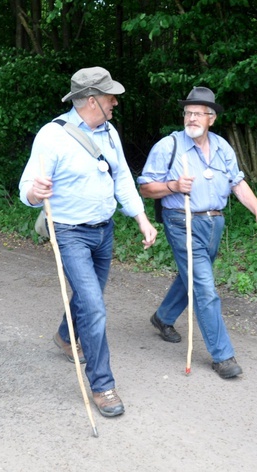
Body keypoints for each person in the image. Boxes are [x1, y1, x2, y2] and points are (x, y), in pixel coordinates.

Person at [19, 67, 157, 417]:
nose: (116, 102)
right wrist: (35, 193)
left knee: (87, 297)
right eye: (111, 96)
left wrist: (141, 219)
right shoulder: (52, 136)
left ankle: (66, 337)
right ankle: (103, 385)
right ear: (92, 100)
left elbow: (123, 176)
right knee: (94, 306)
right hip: (69, 232)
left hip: (104, 231)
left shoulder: (109, 133)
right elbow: (27, 188)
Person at [138, 87, 257, 379]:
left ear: (211, 118)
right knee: (204, 287)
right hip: (181, 221)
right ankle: (222, 356)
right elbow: (146, 187)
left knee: (193, 276)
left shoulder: (223, 147)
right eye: (188, 112)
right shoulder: (168, 146)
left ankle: (163, 318)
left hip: (214, 223)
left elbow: (237, 183)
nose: (191, 118)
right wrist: (173, 186)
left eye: (198, 113)